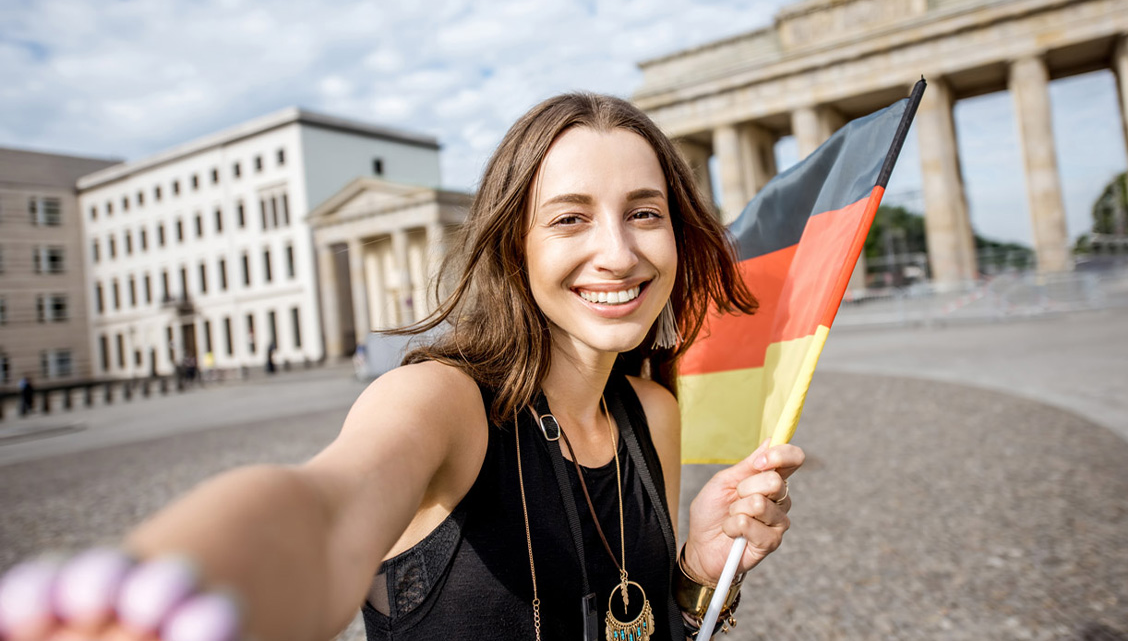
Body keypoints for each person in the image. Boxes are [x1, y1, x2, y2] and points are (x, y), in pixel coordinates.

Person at [0, 93, 804, 641]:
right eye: (570, 218)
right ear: (514, 246)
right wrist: (159, 594)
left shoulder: (652, 413)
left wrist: (698, 568)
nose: (618, 251)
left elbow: (646, 621)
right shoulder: (440, 402)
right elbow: (324, 510)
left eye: (644, 213)